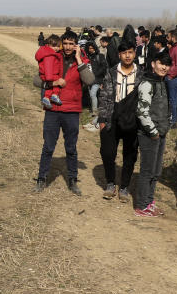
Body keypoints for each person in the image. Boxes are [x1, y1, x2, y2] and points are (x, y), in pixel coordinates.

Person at [35, 31, 89, 195]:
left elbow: (90, 80)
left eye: (71, 44)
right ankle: (41, 179)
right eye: (65, 43)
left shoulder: (83, 61)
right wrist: (53, 82)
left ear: (76, 45)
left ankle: (72, 180)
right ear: (61, 44)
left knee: (71, 148)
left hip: (71, 110)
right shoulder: (52, 56)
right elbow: (36, 80)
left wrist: (79, 60)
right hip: (53, 109)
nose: (67, 47)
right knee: (48, 146)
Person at [98, 39, 143, 202]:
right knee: (107, 152)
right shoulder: (111, 72)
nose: (127, 56)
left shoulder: (141, 74)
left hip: (132, 120)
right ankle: (110, 183)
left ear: (134, 53)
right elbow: (104, 96)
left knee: (130, 155)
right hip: (112, 118)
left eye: (130, 52)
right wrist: (102, 119)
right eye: (124, 53)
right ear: (119, 55)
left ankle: (124, 186)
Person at [135, 52, 172, 217]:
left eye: (167, 64)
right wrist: (154, 132)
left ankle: (149, 201)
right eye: (161, 63)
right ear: (153, 64)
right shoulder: (147, 84)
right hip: (149, 134)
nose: (164, 67)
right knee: (147, 170)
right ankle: (141, 205)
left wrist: (166, 126)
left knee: (156, 171)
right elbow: (142, 112)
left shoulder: (162, 83)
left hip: (160, 132)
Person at [35, 35, 63, 109]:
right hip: (49, 75)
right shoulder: (50, 55)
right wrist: (49, 78)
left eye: (58, 46)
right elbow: (48, 67)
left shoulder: (49, 53)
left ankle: (46, 98)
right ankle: (54, 95)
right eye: (54, 46)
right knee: (58, 81)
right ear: (48, 45)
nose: (56, 48)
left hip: (47, 75)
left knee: (49, 87)